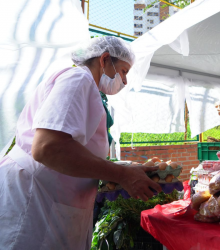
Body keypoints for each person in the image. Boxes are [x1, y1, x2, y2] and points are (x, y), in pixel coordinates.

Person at [0, 36, 162, 250]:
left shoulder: (89, 89)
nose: (124, 81)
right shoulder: (78, 79)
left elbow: (78, 151)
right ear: (104, 59)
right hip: (36, 197)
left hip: (54, 201)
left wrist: (124, 170)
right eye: (123, 71)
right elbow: (48, 148)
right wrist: (122, 175)